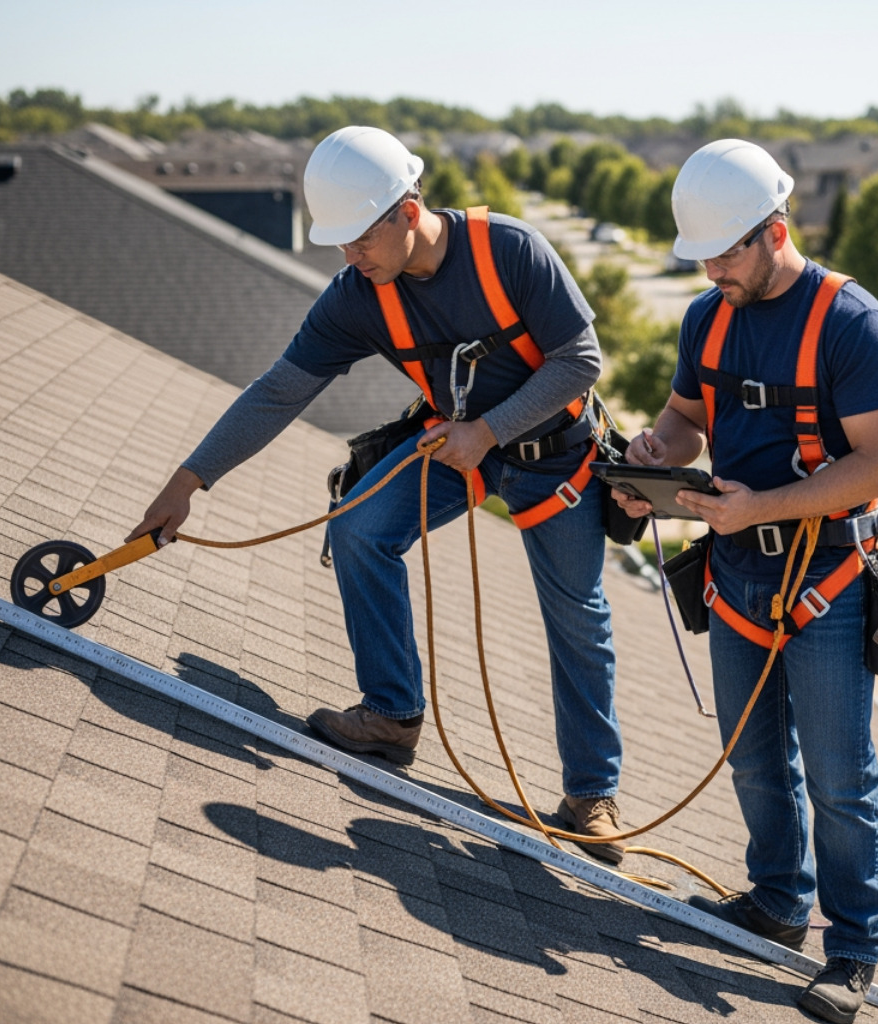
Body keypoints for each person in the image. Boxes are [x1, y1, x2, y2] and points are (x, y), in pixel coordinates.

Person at [128, 126, 628, 864]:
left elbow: (579, 361)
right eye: (338, 242)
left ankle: (591, 794)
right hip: (460, 444)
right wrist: (188, 480)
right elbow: (278, 392)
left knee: (576, 615)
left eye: (360, 237)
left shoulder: (510, 252)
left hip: (555, 454)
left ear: (408, 207)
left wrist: (489, 430)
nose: (349, 256)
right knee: (360, 526)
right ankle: (393, 715)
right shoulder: (357, 296)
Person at [615, 139, 878, 1024]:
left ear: (775, 231)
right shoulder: (707, 317)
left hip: (828, 579)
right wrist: (656, 454)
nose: (712, 270)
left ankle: (853, 949)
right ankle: (778, 898)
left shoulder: (854, 327)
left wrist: (768, 506)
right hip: (738, 573)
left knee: (838, 776)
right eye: (701, 256)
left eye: (726, 253)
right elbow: (687, 419)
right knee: (750, 755)